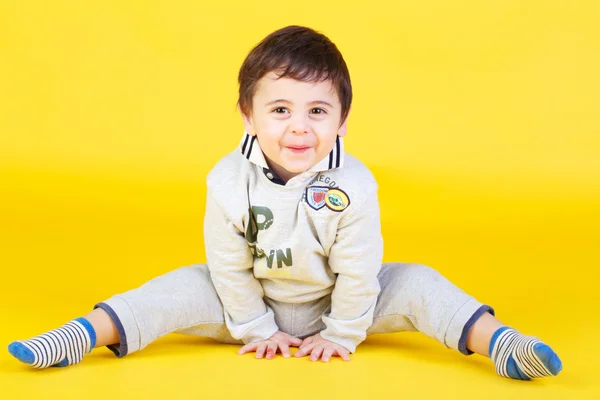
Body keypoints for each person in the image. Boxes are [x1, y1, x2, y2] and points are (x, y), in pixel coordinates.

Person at [8, 25, 562, 381]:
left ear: (342, 120)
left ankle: (504, 344)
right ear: (248, 115)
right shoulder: (226, 180)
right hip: (245, 302)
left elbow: (361, 269)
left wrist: (343, 333)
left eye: (318, 112)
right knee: (174, 289)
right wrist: (253, 327)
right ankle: (81, 335)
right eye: (279, 111)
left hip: (340, 302)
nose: (299, 128)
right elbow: (227, 264)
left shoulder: (355, 183)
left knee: (418, 282)